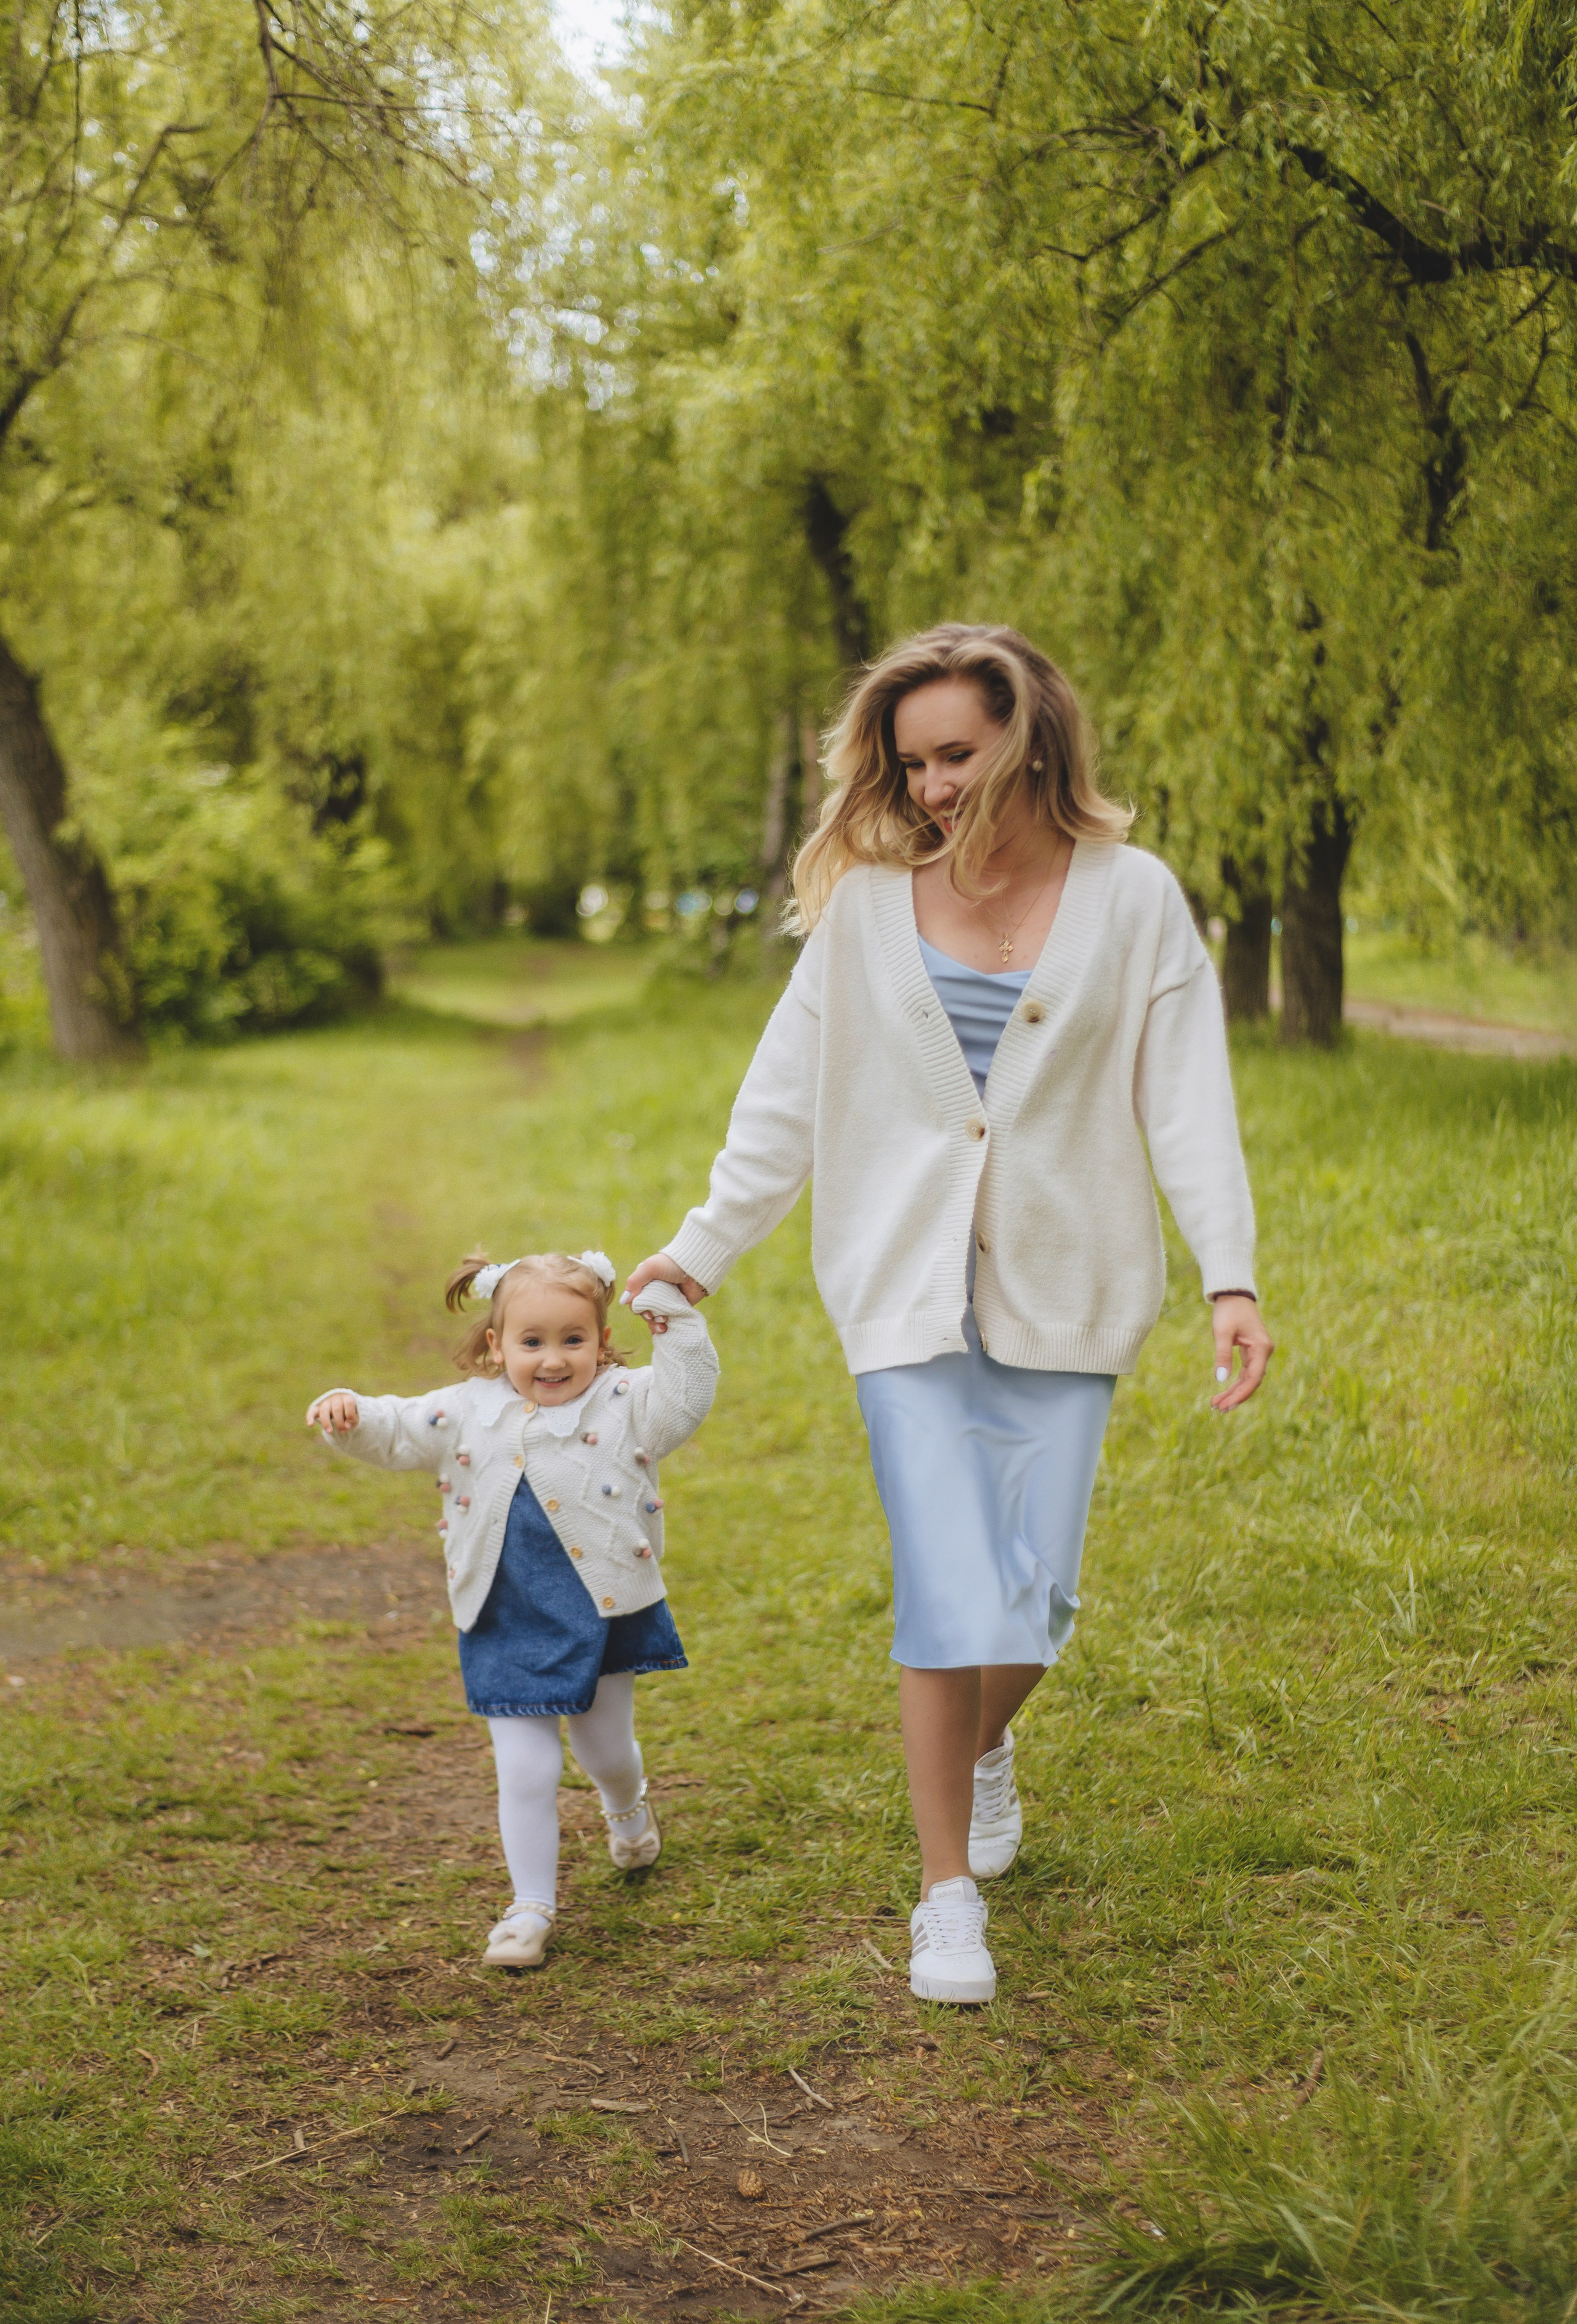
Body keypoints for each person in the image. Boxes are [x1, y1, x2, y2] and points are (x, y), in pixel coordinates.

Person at [627, 623, 1273, 2007]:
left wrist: (1230, 1270)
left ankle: (983, 1746)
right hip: (900, 1290)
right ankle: (944, 1896)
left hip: (1069, 1276)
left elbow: (1186, 1099)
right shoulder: (867, 904)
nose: (927, 783)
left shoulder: (1135, 897)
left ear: (1026, 737)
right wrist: (697, 1250)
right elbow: (783, 1097)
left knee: (1031, 1600)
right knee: (945, 1584)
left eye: (954, 754)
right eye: (909, 759)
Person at [306, 1248, 718, 1970]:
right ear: (496, 1345)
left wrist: (674, 1321)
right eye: (532, 1341)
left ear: (600, 1339)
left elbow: (687, 1392)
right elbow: (398, 1427)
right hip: (503, 1613)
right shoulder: (467, 1408)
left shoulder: (627, 1403)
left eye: (572, 1339)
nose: (553, 1359)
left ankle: (628, 1806)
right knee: (525, 1767)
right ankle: (530, 1905)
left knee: (604, 1750)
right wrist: (350, 1413)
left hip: (602, 1606)